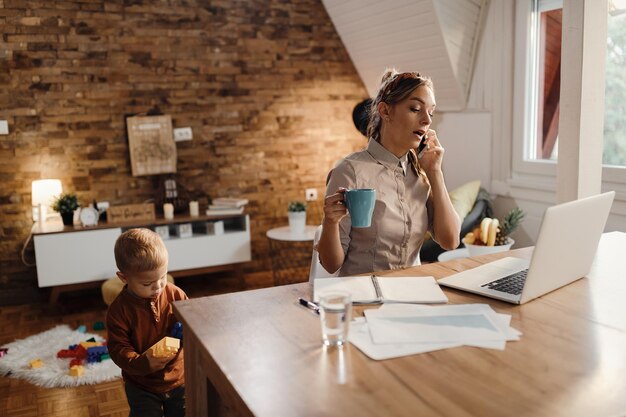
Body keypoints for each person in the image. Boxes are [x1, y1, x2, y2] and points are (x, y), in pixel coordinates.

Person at [318, 69, 461, 276]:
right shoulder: (349, 171)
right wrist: (330, 222)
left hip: (413, 293)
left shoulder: (420, 174)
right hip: (365, 296)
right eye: (415, 108)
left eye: (431, 113)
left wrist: (435, 172)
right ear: (385, 112)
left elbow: (450, 241)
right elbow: (331, 265)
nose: (427, 120)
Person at [106, 228, 188, 417]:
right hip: (141, 385)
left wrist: (189, 332)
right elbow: (118, 348)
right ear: (123, 277)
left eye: (162, 277)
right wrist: (141, 363)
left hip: (178, 379)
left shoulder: (176, 294)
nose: (158, 286)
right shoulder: (119, 311)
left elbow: (193, 322)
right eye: (147, 283)